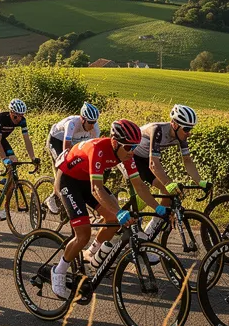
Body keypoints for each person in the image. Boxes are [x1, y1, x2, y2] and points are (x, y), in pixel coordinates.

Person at [50, 119, 162, 299]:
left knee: (113, 219)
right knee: (83, 234)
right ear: (115, 142)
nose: (132, 151)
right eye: (128, 147)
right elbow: (96, 189)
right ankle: (59, 270)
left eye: (135, 146)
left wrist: (158, 209)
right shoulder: (98, 149)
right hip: (68, 180)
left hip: (86, 180)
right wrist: (119, 211)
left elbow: (140, 186)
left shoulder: (126, 154)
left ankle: (92, 253)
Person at [132, 105, 208, 241]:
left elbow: (187, 161)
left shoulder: (181, 136)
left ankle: (150, 231)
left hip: (146, 159)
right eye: (186, 129)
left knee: (169, 192)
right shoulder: (158, 130)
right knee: (159, 188)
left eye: (191, 129)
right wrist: (168, 183)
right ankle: (131, 209)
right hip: (132, 156)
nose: (189, 133)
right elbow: (153, 164)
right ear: (174, 124)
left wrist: (200, 182)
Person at [0, 98, 38, 217]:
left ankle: (4, 197)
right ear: (11, 112)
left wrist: (33, 158)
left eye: (22, 116)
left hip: (2, 140)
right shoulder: (0, 118)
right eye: (16, 116)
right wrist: (4, 159)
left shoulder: (22, 121)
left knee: (14, 162)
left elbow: (27, 140)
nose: (19, 119)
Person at [44, 101, 101, 213]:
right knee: (63, 167)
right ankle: (53, 197)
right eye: (90, 122)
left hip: (76, 141)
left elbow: (93, 148)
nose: (92, 125)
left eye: (94, 122)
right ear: (82, 119)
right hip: (57, 140)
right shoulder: (72, 124)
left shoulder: (95, 127)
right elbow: (66, 149)